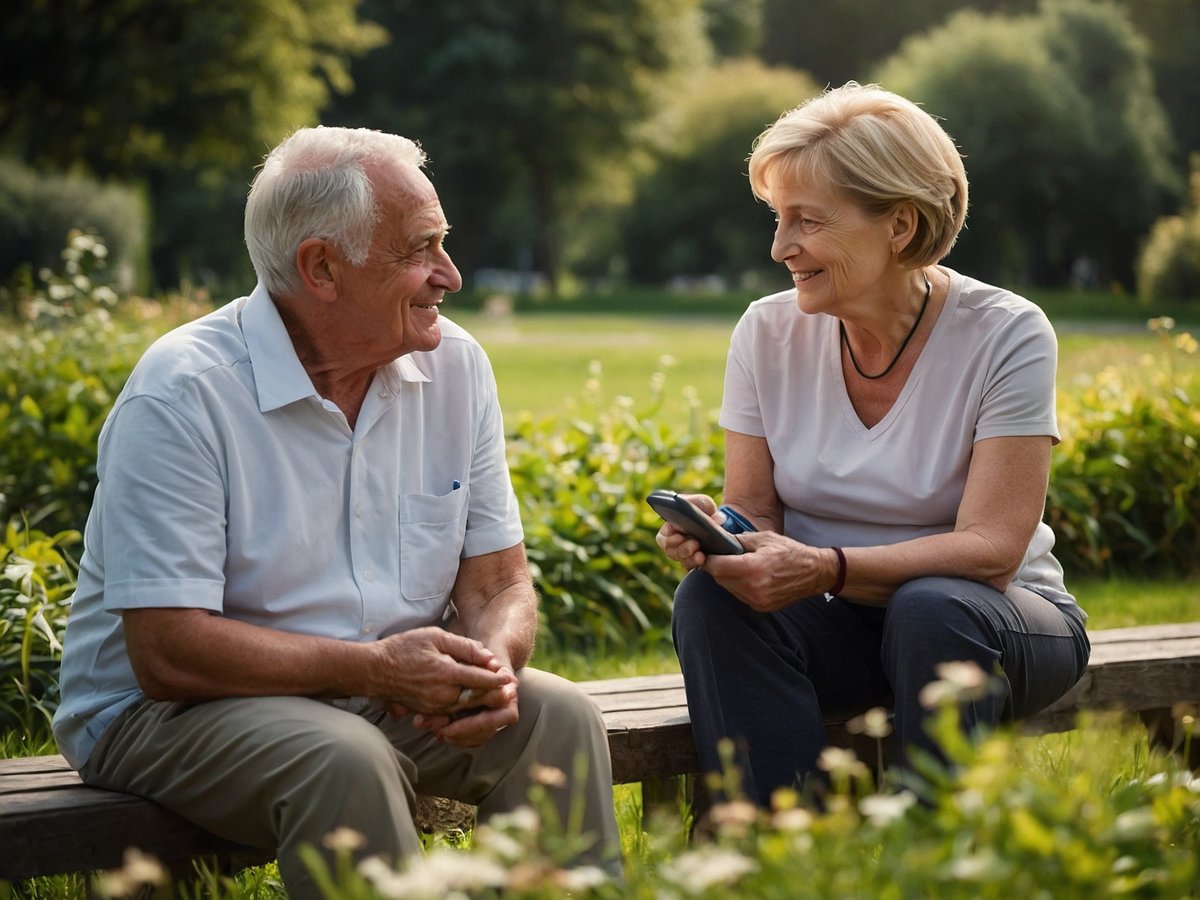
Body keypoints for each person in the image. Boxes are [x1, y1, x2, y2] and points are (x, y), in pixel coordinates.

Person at [51, 126, 621, 895]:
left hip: (371, 692)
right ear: (321, 267)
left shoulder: (455, 365)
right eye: (419, 251)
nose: (448, 275)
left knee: (558, 719)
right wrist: (378, 670)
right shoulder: (183, 393)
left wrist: (489, 669)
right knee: (343, 757)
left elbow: (497, 586)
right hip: (168, 711)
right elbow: (167, 651)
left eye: (442, 243)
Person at [655, 83, 1091, 807]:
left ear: (899, 224)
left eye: (806, 222)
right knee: (710, 599)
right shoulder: (766, 332)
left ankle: (940, 861)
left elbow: (994, 548)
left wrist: (825, 565)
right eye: (777, 219)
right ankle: (788, 849)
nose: (780, 247)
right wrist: (729, 538)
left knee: (933, 607)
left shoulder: (1006, 332)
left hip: (996, 622)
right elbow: (756, 508)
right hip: (845, 626)